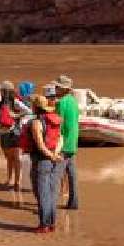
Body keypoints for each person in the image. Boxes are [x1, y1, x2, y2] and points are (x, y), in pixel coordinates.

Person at [22, 94, 64, 233]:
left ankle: (44, 224)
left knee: (41, 192)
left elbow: (40, 144)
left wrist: (51, 156)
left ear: (35, 107)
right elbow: (60, 139)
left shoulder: (36, 123)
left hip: (42, 160)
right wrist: (55, 154)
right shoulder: (54, 121)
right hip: (55, 159)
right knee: (52, 192)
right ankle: (51, 223)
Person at [0, 81, 30, 190]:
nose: (1, 92)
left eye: (2, 90)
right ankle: (11, 180)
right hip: (7, 134)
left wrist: (15, 115)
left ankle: (16, 181)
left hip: (13, 134)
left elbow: (28, 112)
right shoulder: (1, 104)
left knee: (16, 158)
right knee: (11, 158)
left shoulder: (12, 102)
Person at [54, 74, 80, 210]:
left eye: (57, 87)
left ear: (63, 89)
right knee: (72, 175)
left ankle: (50, 205)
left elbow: (58, 122)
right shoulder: (73, 101)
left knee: (56, 175)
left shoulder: (61, 102)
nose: (55, 88)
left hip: (63, 143)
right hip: (73, 141)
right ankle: (74, 202)